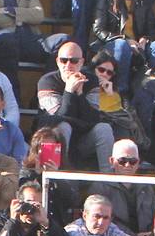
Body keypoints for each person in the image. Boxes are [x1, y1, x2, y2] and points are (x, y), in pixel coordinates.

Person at [36, 40, 114, 174]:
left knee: (104, 128)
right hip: (53, 141)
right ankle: (58, 177)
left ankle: (108, 180)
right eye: (64, 60)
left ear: (81, 62)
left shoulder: (91, 81)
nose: (68, 65)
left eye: (74, 61)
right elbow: (57, 118)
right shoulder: (47, 82)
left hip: (81, 140)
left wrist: (80, 93)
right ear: (57, 62)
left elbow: (93, 119)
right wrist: (69, 90)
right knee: (63, 126)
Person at [91, 0, 155, 96]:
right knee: (122, 45)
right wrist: (125, 40)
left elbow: (151, 29)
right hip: (113, 44)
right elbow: (99, 29)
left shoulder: (143, 0)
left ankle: (147, 88)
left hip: (138, 46)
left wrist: (145, 39)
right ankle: (121, 91)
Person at [87, 137, 150, 235]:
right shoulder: (100, 187)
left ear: (138, 163)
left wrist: (151, 234)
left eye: (133, 161)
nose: (127, 165)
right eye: (122, 161)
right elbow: (103, 220)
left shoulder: (147, 186)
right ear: (112, 161)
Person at [0, 180, 71, 236]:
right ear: (19, 202)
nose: (32, 208)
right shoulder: (0, 218)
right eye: (29, 202)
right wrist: (12, 221)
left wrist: (46, 224)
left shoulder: (45, 220)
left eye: (38, 204)